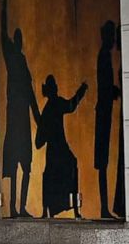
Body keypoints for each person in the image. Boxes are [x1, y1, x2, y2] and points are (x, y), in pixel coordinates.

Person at [0, 0, 42, 217]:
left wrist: (38, 119)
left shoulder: (22, 63)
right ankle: (14, 208)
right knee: (16, 163)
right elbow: (2, 30)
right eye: (16, 37)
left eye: (19, 38)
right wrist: (3, 3)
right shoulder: (11, 58)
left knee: (26, 165)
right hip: (15, 117)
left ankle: (21, 206)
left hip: (23, 118)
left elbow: (31, 93)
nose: (17, 39)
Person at [36, 74, 89, 218]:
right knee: (71, 165)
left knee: (50, 175)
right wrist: (82, 90)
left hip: (53, 150)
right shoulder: (56, 103)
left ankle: (46, 210)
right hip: (59, 147)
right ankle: (75, 209)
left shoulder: (47, 109)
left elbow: (39, 142)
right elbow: (71, 106)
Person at [94, 20, 121, 218]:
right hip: (103, 111)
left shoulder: (106, 56)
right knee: (102, 159)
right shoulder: (104, 56)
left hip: (106, 110)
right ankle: (102, 206)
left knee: (103, 159)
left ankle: (104, 206)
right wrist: (114, 90)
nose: (113, 40)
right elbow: (104, 87)